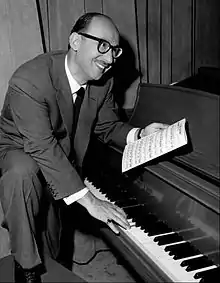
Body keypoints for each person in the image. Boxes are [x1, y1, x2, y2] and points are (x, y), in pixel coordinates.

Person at [0, 12, 168, 283]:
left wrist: (140, 134)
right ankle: (25, 269)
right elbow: (42, 146)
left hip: (62, 159)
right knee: (22, 172)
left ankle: (40, 262)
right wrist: (90, 201)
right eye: (103, 46)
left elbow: (107, 127)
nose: (110, 58)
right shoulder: (28, 81)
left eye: (115, 50)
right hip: (20, 150)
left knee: (52, 248)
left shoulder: (103, 84)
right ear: (75, 41)